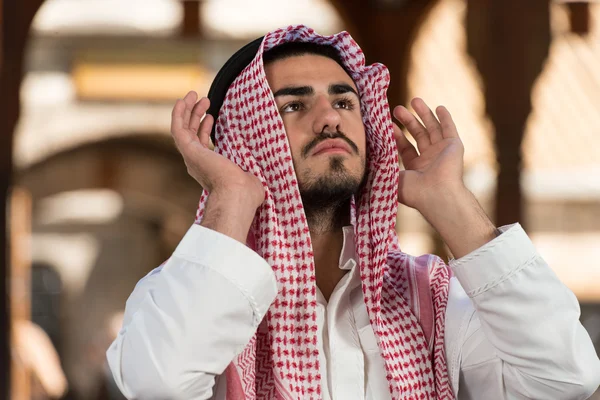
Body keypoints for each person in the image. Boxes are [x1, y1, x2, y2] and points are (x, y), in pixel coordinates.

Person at [106, 25, 600, 400]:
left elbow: (564, 377)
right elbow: (161, 384)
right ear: (245, 138)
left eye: (344, 101)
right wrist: (232, 195)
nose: (330, 118)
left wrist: (450, 202)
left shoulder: (430, 301)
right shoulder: (179, 301)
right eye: (292, 107)